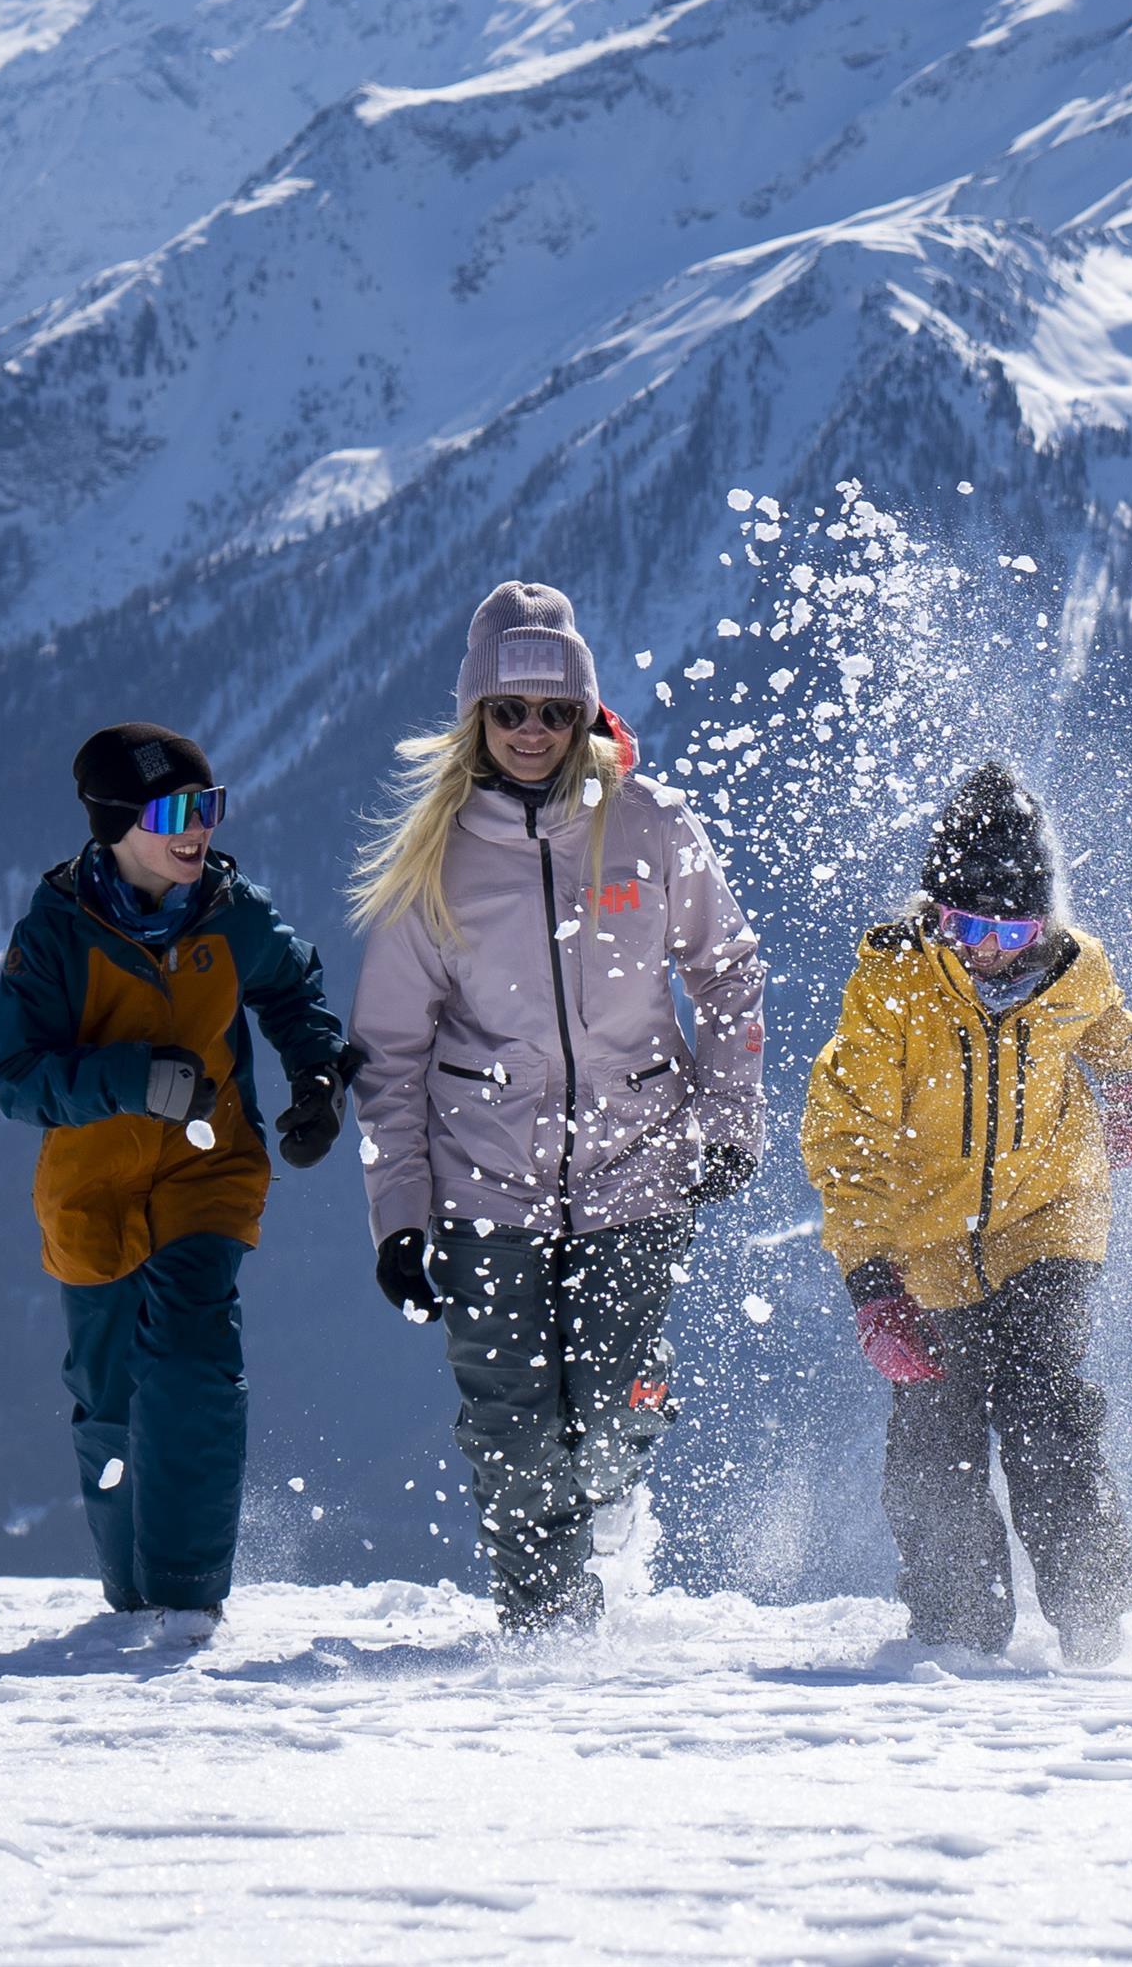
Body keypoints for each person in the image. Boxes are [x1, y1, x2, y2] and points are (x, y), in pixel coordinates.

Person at [349, 582, 767, 1635]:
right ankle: (549, 1638)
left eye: (554, 711)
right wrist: (398, 1215)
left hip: (639, 1167)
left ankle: (622, 1451)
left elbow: (727, 971)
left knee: (611, 1421)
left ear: (585, 714)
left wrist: (727, 1118)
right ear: (475, 717)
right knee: (513, 1430)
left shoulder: (647, 826)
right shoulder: (435, 861)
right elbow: (389, 1056)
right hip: (484, 1183)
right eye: (509, 710)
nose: (532, 732)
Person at [0, 721, 357, 1633]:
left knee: (192, 1366)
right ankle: (132, 1601)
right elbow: (14, 1077)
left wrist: (317, 1080)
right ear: (116, 822)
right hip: (93, 1190)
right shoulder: (58, 933)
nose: (201, 829)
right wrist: (127, 1079)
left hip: (207, 1166)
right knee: (109, 1400)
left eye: (210, 806)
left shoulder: (232, 909)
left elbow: (293, 988)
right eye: (178, 813)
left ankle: (188, 1603)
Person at [804, 760, 1132, 1666]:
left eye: (1013, 928)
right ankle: (960, 1636)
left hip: (1051, 1213)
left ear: (1045, 921)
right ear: (935, 912)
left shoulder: (1077, 971)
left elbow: (1113, 1029)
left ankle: (1091, 1621)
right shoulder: (892, 987)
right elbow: (846, 1141)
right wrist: (874, 1289)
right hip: (923, 1241)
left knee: (1045, 1408)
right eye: (965, 926)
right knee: (937, 1439)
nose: (989, 950)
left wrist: (1130, 1086)